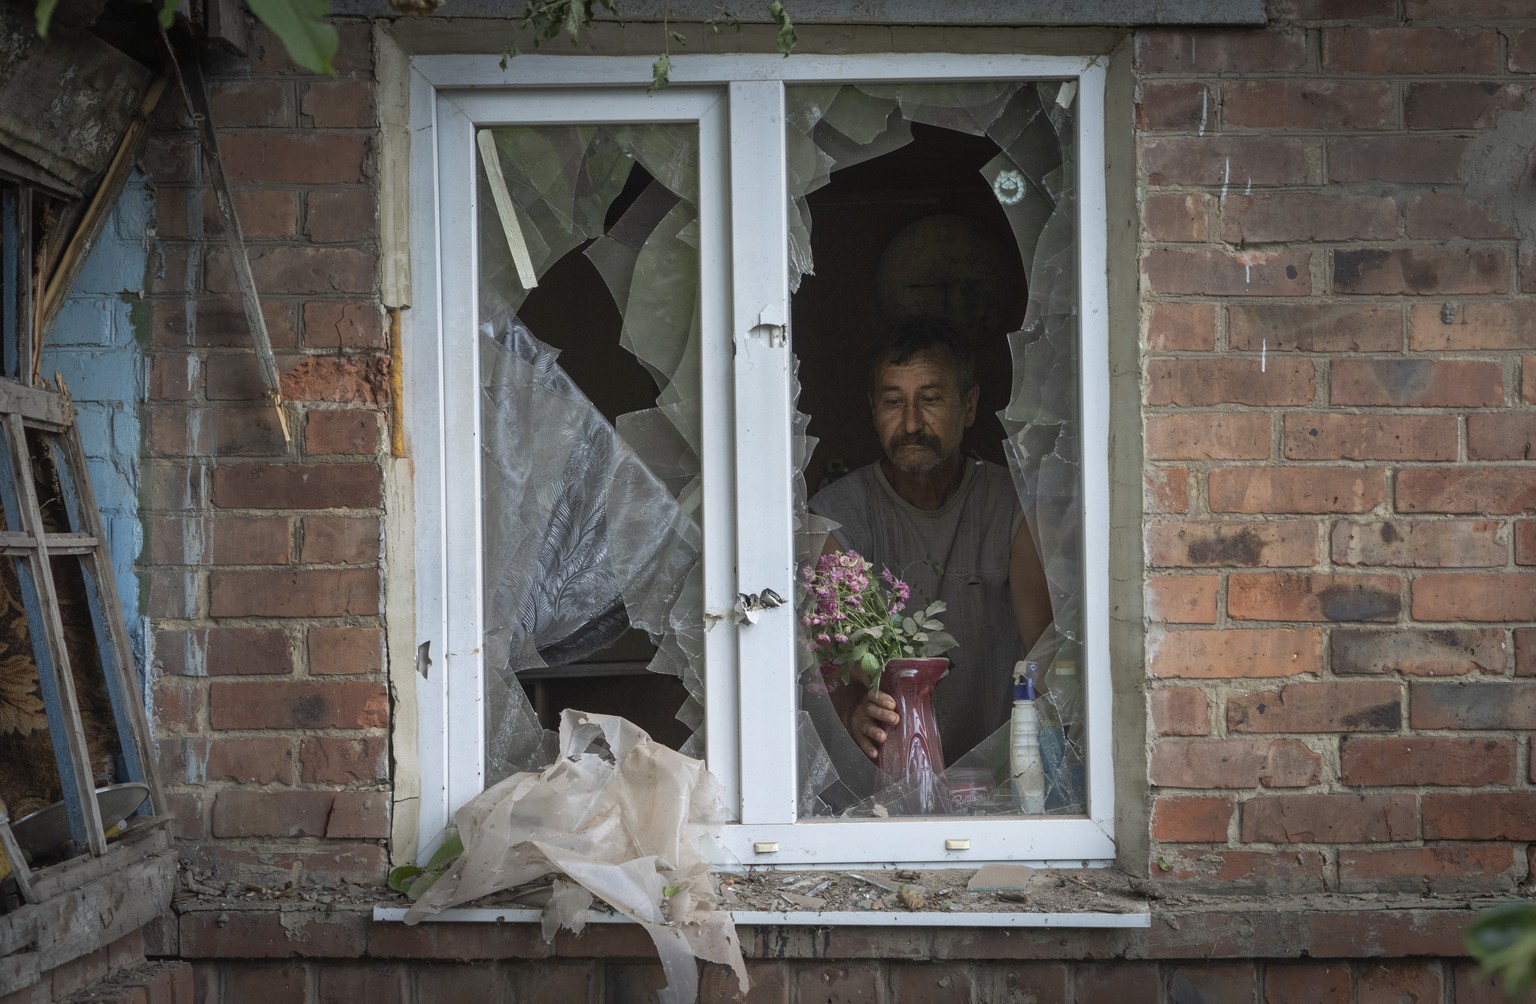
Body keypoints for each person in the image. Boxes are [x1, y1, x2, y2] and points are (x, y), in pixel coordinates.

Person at [809, 318, 1052, 766]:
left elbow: (1045, 661)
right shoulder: (837, 517)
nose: (911, 423)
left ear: (970, 404)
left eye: (931, 400)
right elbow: (835, 663)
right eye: (892, 402)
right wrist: (853, 711)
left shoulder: (1012, 508)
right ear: (873, 409)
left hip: (1002, 776)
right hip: (886, 782)